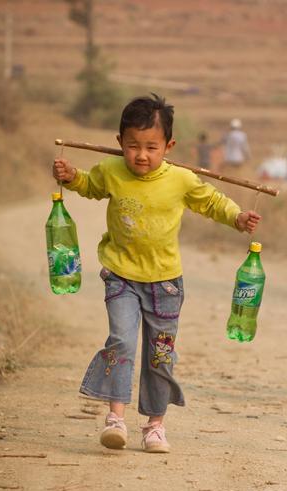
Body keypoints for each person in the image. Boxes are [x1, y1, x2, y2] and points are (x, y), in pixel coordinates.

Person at [52, 94, 261, 452]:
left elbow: (211, 202)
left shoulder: (181, 179)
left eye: (151, 146)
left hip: (165, 285)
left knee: (160, 354)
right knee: (121, 341)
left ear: (169, 145)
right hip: (121, 276)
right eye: (133, 146)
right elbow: (90, 185)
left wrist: (238, 217)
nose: (141, 155)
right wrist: (72, 177)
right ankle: (116, 417)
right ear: (120, 143)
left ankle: (155, 425)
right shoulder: (112, 171)